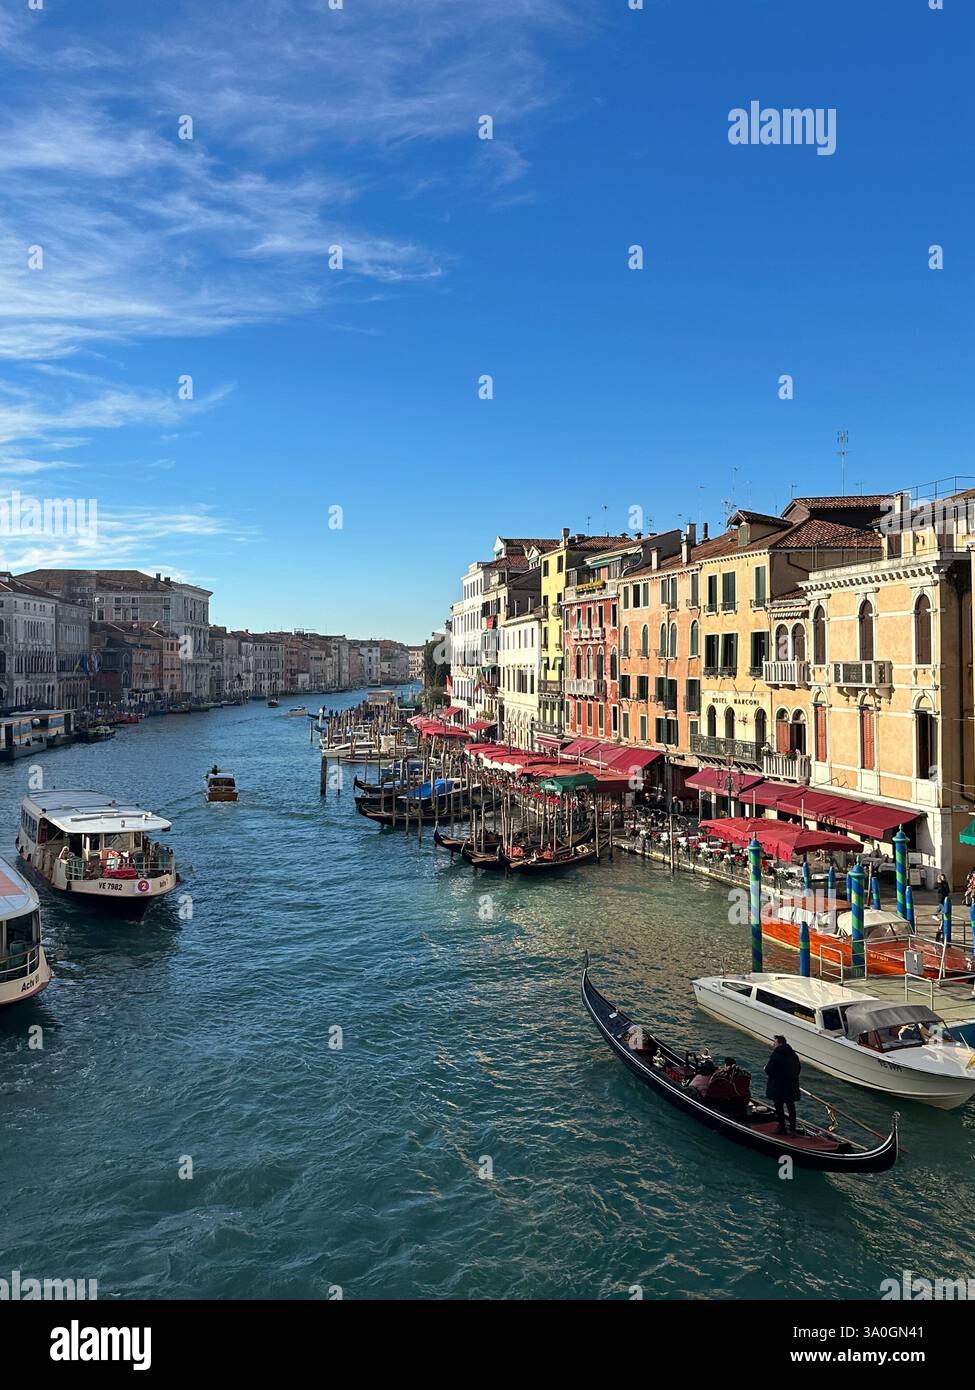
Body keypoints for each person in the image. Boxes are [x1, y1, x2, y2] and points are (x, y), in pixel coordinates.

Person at [764, 1035, 801, 1134]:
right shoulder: (794, 1055)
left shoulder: (776, 1055)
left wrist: (766, 1069)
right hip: (791, 1086)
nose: (773, 1044)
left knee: (779, 1107)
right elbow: (798, 1069)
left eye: (774, 1042)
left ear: (779, 1043)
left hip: (778, 1086)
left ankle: (782, 1128)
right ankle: (793, 1129)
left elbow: (769, 1070)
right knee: (791, 1107)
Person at [934, 873, 950, 938]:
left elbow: (948, 890)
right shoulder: (938, 883)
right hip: (940, 898)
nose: (943, 878)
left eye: (944, 877)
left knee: (941, 907)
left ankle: (935, 915)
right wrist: (939, 883)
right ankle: (935, 915)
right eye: (942, 877)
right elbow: (936, 888)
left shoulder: (946, 883)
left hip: (945, 898)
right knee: (943, 909)